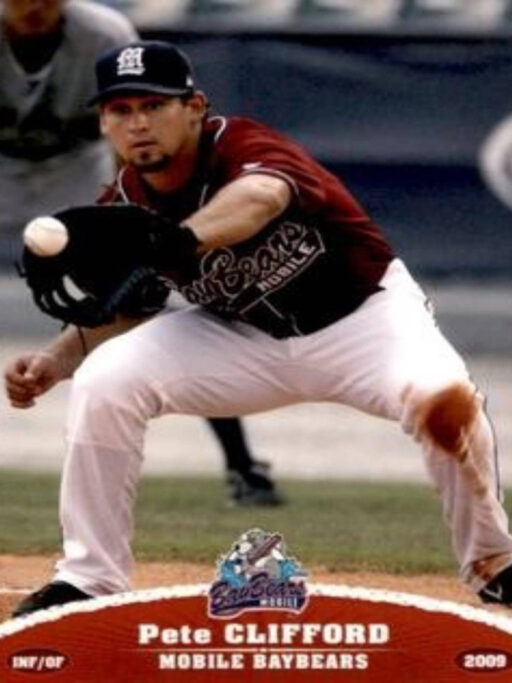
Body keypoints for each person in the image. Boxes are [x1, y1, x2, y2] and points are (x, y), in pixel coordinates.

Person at [5, 39, 512, 617]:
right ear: (103, 122)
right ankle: (89, 581)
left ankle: (494, 563)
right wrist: (54, 359)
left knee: (443, 400)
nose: (138, 123)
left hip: (363, 320)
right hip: (238, 335)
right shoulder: (123, 205)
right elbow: (125, 306)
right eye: (121, 111)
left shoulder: (242, 145)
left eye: (154, 106)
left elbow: (262, 197)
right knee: (105, 380)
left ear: (194, 107)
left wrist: (180, 241)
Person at [0, 0, 281, 506]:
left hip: (78, 168)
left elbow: (128, 121)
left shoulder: (102, 32)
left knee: (150, 291)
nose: (34, 5)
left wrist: (131, 211)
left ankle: (242, 466)